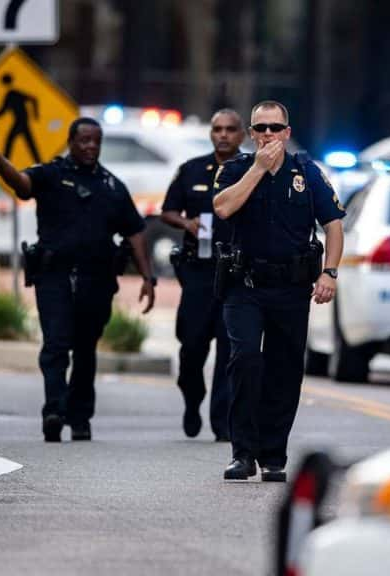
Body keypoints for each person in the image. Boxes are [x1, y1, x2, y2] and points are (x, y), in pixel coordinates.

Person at [0, 117, 156, 443]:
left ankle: (80, 416)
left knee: (85, 349)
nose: (90, 146)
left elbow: (136, 232)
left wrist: (148, 277)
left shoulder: (112, 186)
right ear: (71, 142)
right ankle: (54, 411)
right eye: (84, 140)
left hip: (97, 279)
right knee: (56, 345)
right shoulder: (51, 174)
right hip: (54, 275)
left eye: (95, 141)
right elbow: (20, 184)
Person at [212, 101, 345, 482]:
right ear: (251, 134)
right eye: (260, 128)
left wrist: (330, 273)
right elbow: (222, 209)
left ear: (287, 132)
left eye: (275, 127)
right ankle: (242, 453)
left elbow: (333, 225)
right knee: (246, 359)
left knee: (284, 371)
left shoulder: (306, 172)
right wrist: (257, 169)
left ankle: (273, 455)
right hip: (245, 287)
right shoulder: (236, 169)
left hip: (290, 288)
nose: (268, 134)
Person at [160, 109, 244, 442]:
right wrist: (186, 223)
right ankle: (192, 400)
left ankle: (221, 422)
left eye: (230, 130)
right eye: (217, 129)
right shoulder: (192, 169)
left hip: (235, 273)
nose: (223, 135)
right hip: (198, 272)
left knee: (229, 350)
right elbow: (167, 211)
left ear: (242, 135)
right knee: (191, 347)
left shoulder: (252, 171)